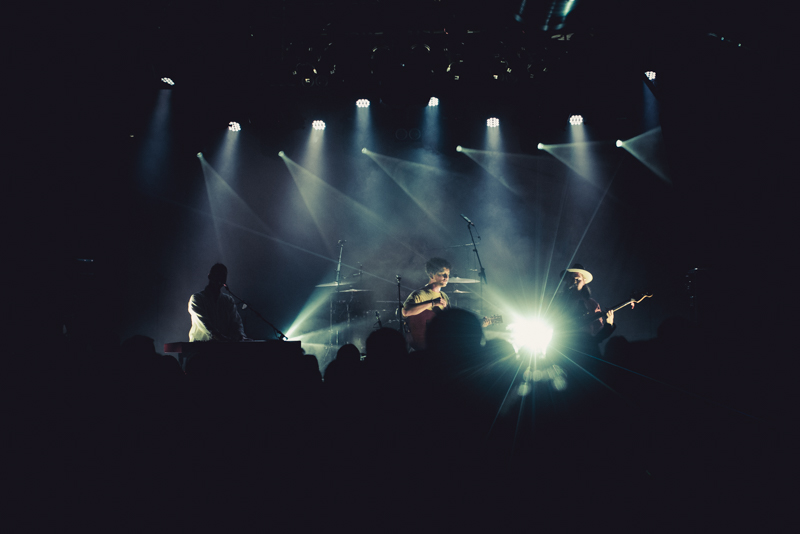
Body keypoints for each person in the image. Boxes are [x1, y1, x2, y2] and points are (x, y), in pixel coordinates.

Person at [557, 263, 616, 344]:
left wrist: (609, 323)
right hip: (561, 344)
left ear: (584, 282)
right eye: (571, 279)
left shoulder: (592, 304)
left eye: (578, 279)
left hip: (583, 345)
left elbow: (598, 332)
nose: (574, 281)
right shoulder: (557, 299)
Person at [401, 257, 451, 350]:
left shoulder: (445, 296)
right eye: (442, 274)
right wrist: (432, 303)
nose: (446, 277)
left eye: (448, 274)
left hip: (439, 344)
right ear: (431, 275)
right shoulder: (419, 294)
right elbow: (405, 312)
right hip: (422, 345)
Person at [188, 263, 246, 342]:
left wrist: (241, 336)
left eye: (223, 275)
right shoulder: (197, 298)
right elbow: (206, 325)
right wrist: (223, 339)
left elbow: (236, 323)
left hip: (223, 347)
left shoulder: (228, 300)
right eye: (217, 274)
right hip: (200, 347)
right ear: (210, 276)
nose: (220, 278)